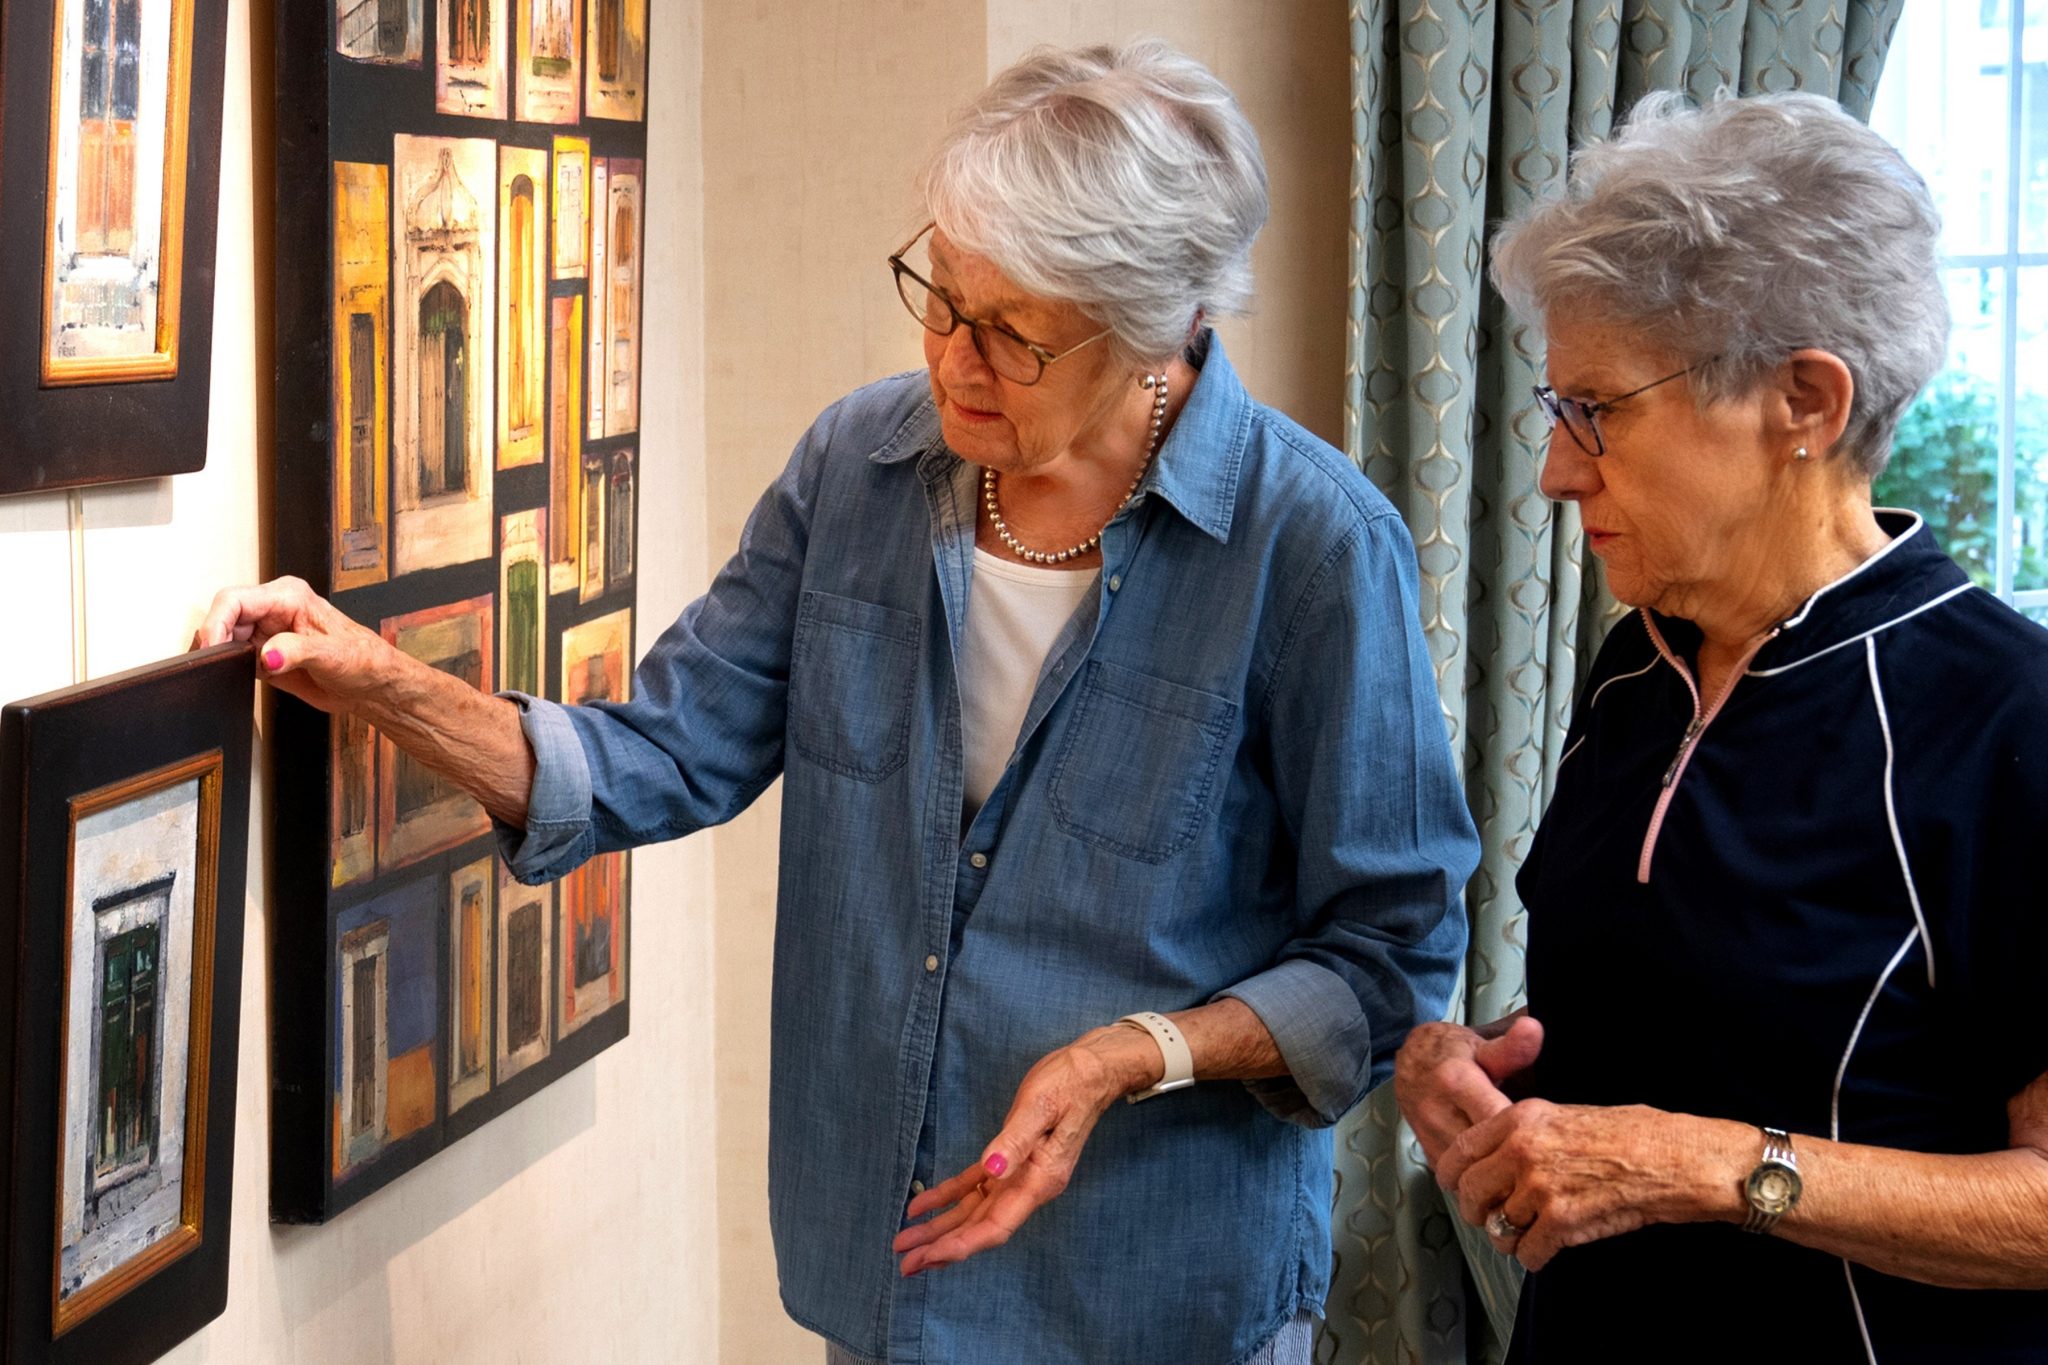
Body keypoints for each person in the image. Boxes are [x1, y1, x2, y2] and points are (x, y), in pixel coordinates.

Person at [204, 41, 1478, 1365]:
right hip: (886, 1284)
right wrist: (384, 686)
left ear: (1151, 328)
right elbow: (662, 753)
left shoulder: (1314, 547)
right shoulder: (855, 472)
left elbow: (1387, 955)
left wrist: (1131, 1054)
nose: (950, 357)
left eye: (1013, 336)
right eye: (940, 293)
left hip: (1154, 1297)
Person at [1393, 90, 2048, 1362]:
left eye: (1600, 409)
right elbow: (1699, 1033)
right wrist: (1484, 1084)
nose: (1555, 469)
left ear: (1802, 400)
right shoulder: (1636, 671)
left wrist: (1711, 1169)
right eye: (1555, 409)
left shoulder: (2003, 718)